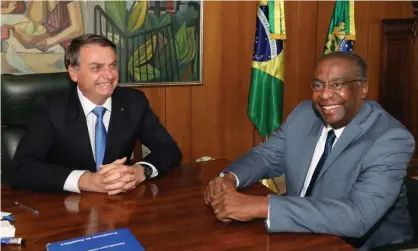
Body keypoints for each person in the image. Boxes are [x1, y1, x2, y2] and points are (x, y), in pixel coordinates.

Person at [204, 52, 415, 250]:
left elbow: (358, 217)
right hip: (302, 232)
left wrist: (261, 206)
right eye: (318, 85)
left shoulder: (390, 139)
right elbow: (266, 156)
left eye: (337, 84)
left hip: (362, 245)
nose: (324, 95)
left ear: (363, 89)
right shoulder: (304, 114)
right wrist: (229, 179)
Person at [10, 34, 182, 195]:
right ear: (73, 72)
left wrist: (140, 171)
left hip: (118, 205)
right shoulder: (51, 107)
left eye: (113, 65)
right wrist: (86, 180)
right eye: (96, 67)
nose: (109, 75)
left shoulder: (133, 102)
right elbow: (22, 169)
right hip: (65, 207)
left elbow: (169, 150)